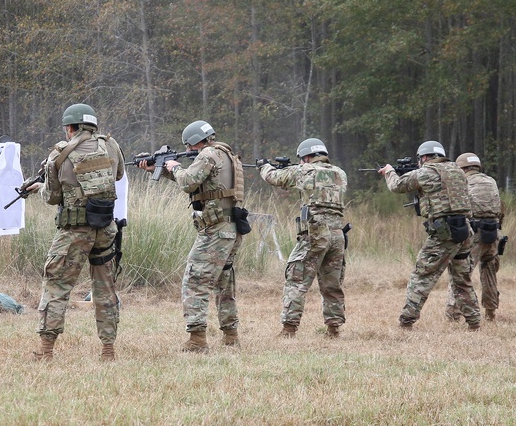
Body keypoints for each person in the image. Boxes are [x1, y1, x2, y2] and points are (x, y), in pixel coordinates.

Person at [23, 103, 125, 361]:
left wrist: (40, 189)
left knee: (56, 285)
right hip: (105, 229)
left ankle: (46, 351)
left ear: (70, 127)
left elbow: (53, 197)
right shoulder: (111, 145)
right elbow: (119, 174)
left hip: (74, 232)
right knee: (105, 288)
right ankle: (108, 350)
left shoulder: (60, 153)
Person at [137, 120, 246, 352]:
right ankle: (231, 336)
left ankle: (197, 340)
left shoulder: (207, 155)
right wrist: (160, 169)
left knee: (195, 281)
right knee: (224, 283)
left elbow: (187, 182)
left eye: (188, 146)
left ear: (195, 141)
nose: (187, 150)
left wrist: (173, 165)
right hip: (230, 228)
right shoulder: (226, 155)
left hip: (215, 229)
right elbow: (198, 183)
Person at [378, 140, 481, 330]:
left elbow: (397, 186)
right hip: (465, 231)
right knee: (461, 279)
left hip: (444, 233)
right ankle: (474, 322)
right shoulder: (457, 170)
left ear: (424, 157)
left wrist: (389, 171)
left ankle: (406, 320)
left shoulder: (427, 172)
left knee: (422, 275)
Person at [259, 138, 347, 338]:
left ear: (307, 157)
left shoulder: (304, 171)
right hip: (337, 235)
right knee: (331, 284)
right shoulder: (340, 173)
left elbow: (274, 177)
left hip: (315, 234)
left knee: (296, 279)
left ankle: (289, 329)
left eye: (301, 159)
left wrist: (264, 166)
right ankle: (334, 329)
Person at [446, 152, 505, 322]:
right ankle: (491, 312)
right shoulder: (491, 181)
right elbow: (501, 208)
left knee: (460, 273)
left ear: (461, 168)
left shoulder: (464, 181)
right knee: (490, 274)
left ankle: (454, 313)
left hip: (475, 234)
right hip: (494, 234)